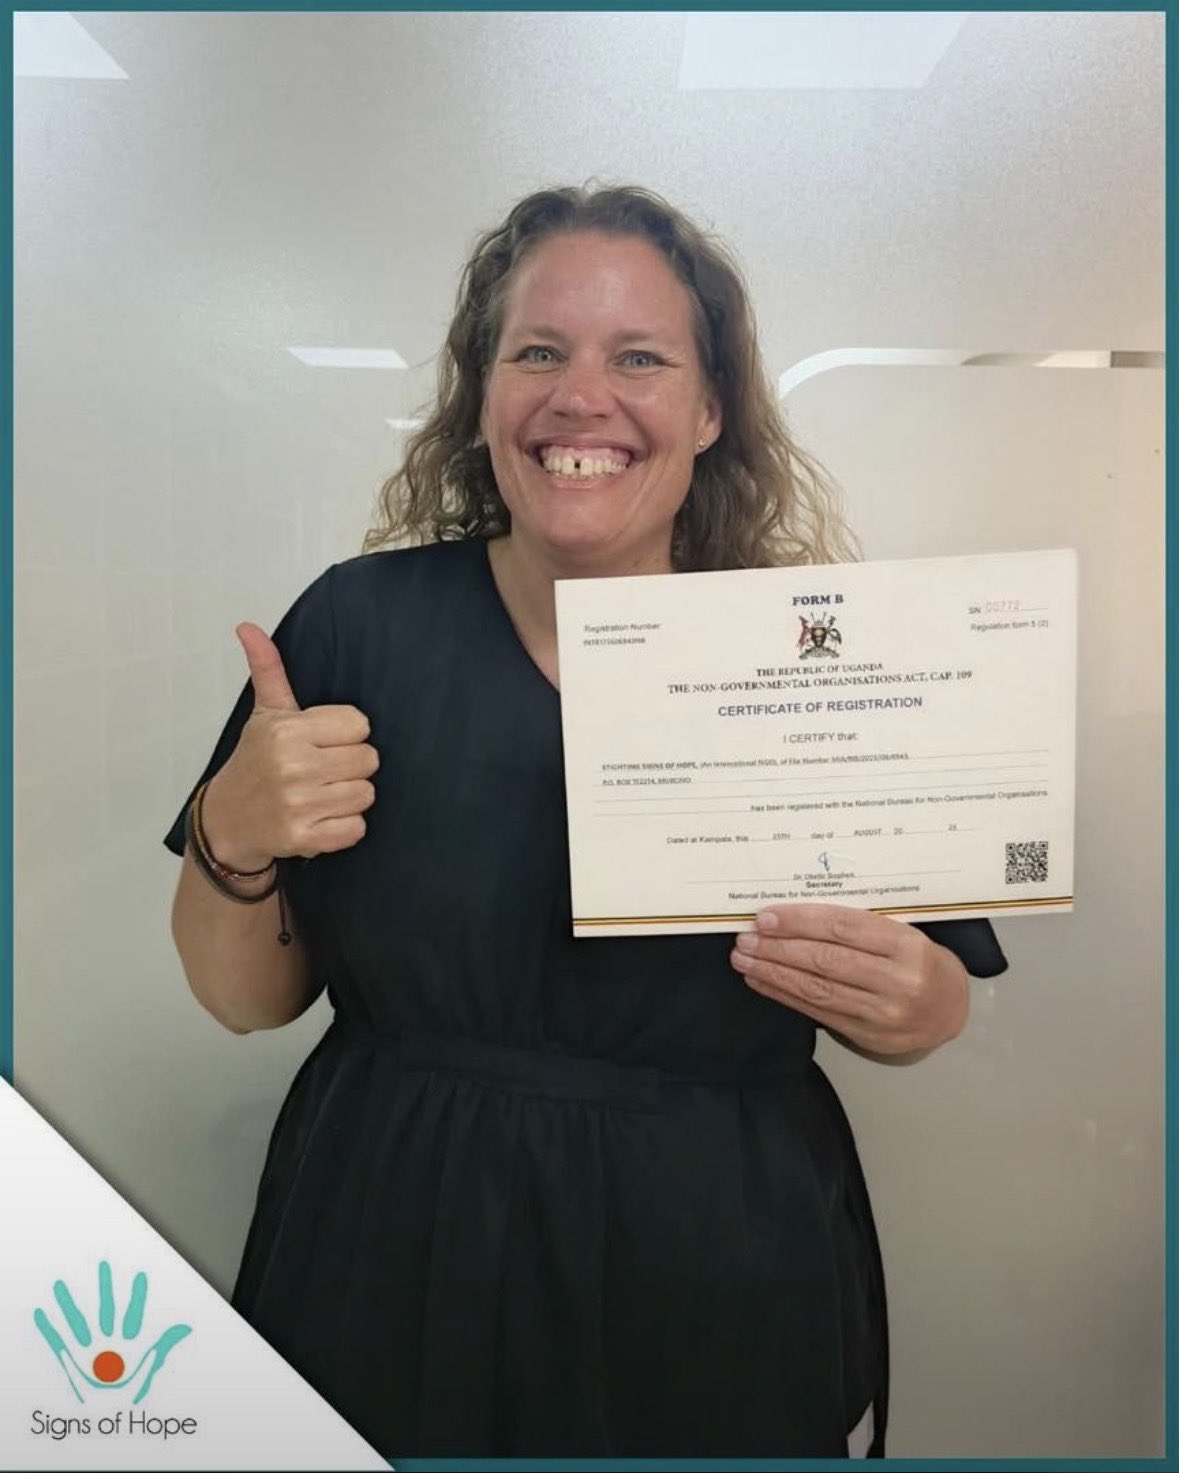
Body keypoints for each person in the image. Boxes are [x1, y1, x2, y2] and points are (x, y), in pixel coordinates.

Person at [165, 184, 1007, 1458]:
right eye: (540, 353)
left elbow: (930, 1000)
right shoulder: (354, 628)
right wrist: (230, 835)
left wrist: (920, 1008)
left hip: (714, 1257)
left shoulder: (813, 658)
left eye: (641, 359)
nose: (581, 398)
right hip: (394, 1237)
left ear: (712, 410)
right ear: (482, 393)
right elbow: (247, 1001)